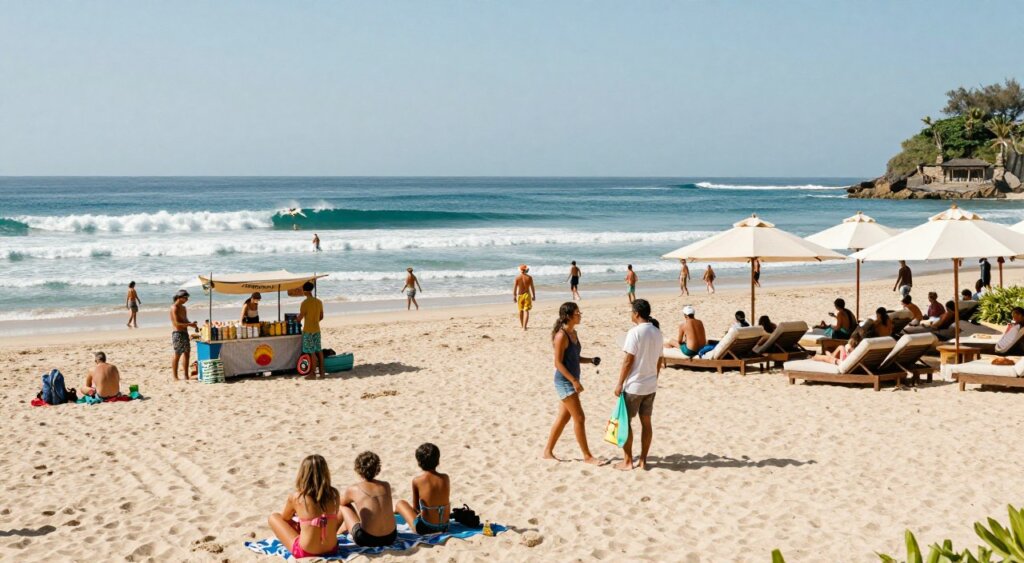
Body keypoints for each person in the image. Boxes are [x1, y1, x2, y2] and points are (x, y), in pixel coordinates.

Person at [542, 302, 601, 465]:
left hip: (571, 379)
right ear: (568, 316)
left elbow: (574, 357)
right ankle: (587, 456)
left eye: (580, 312)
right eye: (577, 313)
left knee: (563, 418)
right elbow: (557, 363)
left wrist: (590, 360)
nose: (580, 315)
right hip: (564, 381)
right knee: (580, 418)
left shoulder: (573, 333)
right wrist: (574, 380)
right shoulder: (561, 336)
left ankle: (547, 451)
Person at [614, 299, 662, 471]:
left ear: (636, 313)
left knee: (625, 421)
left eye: (631, 312)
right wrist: (654, 377)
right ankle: (643, 459)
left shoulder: (634, 332)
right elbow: (659, 359)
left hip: (635, 386)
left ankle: (628, 460)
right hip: (651, 385)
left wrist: (619, 383)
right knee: (646, 422)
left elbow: (628, 360)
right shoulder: (657, 332)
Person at [268, 454, 342, 559]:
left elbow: (285, 518)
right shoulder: (334, 494)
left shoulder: (297, 497)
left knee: (274, 517)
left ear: (303, 474)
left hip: (306, 552)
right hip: (332, 549)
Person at [338, 452, 397, 548]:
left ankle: (333, 534)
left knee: (343, 507)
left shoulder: (354, 489)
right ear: (377, 468)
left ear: (358, 469)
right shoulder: (386, 485)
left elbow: (341, 503)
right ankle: (341, 530)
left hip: (367, 539)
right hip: (391, 537)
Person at [395, 444, 452, 535]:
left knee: (400, 504)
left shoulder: (417, 481)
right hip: (445, 526)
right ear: (438, 460)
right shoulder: (445, 478)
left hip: (425, 528)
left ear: (419, 462)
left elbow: (416, 509)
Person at [296, 281, 325, 380]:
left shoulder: (305, 303)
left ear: (304, 291)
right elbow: (321, 316)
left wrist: (295, 319)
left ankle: (313, 374)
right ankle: (322, 373)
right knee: (319, 351)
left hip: (308, 330)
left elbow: (300, 318)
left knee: (312, 352)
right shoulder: (319, 302)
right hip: (317, 329)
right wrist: (315, 321)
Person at [170, 290, 198, 381]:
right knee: (177, 354)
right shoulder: (174, 307)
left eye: (187, 298)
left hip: (185, 333)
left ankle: (186, 376)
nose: (187, 299)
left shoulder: (183, 308)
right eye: (185, 298)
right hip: (177, 333)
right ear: (179, 297)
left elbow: (185, 320)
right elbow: (177, 323)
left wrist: (192, 324)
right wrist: (189, 324)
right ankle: (175, 377)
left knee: (187, 353)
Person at [513, 265, 535, 330]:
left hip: (520, 295)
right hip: (527, 295)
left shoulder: (517, 278)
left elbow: (515, 288)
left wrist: (514, 296)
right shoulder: (529, 277)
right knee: (526, 311)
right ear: (526, 270)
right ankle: (524, 327)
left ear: (520, 270)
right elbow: (532, 287)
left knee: (521, 311)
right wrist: (534, 295)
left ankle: (522, 325)